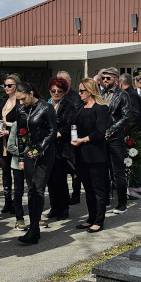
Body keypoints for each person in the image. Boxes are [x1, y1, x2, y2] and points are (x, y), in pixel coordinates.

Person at [15, 82, 58, 244]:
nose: (21, 102)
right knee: (31, 190)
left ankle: (34, 228)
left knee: (38, 188)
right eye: (18, 100)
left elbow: (53, 131)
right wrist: (21, 157)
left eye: (23, 99)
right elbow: (20, 134)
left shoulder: (46, 108)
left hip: (45, 152)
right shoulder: (20, 109)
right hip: (28, 152)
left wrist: (40, 148)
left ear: (31, 93)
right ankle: (34, 227)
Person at [71, 78, 109, 233]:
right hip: (81, 154)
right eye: (79, 91)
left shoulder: (101, 108)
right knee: (87, 188)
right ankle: (91, 217)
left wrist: (83, 140)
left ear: (90, 91)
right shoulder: (81, 107)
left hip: (95, 154)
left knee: (98, 189)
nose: (79, 94)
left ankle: (99, 220)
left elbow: (100, 132)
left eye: (82, 91)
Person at [99, 68, 132, 213]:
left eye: (108, 78)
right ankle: (105, 200)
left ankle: (122, 203)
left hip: (116, 138)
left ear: (116, 80)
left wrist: (110, 131)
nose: (105, 80)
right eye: (103, 78)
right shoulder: (99, 94)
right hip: (101, 138)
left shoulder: (123, 95)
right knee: (103, 170)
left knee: (118, 171)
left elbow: (126, 116)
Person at [45, 76, 77, 220]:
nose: (56, 93)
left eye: (59, 91)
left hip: (61, 147)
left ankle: (63, 208)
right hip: (48, 147)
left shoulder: (69, 106)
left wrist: (59, 133)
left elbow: (71, 124)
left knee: (60, 180)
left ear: (64, 92)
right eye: (53, 90)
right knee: (50, 180)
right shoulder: (46, 104)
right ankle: (54, 207)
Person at [0, 74, 21, 215]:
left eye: (10, 85)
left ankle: (17, 203)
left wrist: (9, 132)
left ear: (16, 86)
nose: (7, 88)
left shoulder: (20, 102)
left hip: (13, 140)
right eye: (5, 85)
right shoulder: (3, 101)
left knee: (16, 172)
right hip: (1, 142)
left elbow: (22, 124)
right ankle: (7, 201)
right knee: (5, 172)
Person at [57, 70, 83, 206]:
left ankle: (76, 194)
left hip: (72, 138)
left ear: (70, 82)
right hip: (58, 140)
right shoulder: (55, 96)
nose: (61, 83)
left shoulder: (75, 97)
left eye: (64, 80)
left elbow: (75, 118)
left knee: (74, 169)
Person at [119, 72, 141, 188]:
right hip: (134, 132)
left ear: (121, 83)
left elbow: (134, 113)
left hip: (135, 133)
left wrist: (124, 122)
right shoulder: (130, 93)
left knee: (134, 161)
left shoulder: (130, 94)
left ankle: (135, 187)